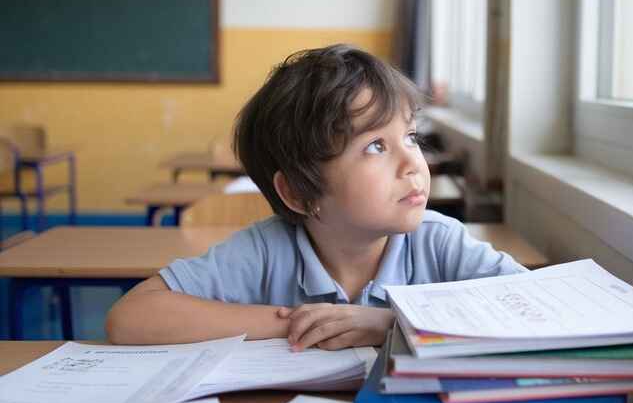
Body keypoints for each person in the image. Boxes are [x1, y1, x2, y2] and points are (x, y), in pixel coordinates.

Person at [105, 45, 525, 349]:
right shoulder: (267, 250)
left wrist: (392, 325)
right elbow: (131, 319)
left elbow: (547, 310)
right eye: (376, 146)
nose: (413, 163)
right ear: (300, 193)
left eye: (410, 136)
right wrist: (300, 323)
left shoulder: (438, 242)